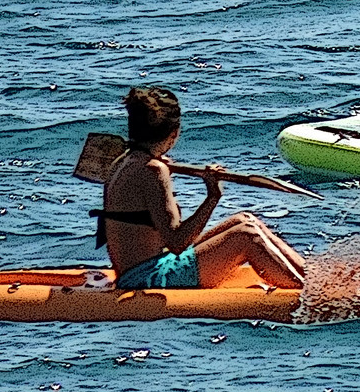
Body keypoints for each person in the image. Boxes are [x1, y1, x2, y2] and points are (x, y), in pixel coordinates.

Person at [96, 87, 307, 290]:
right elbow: (178, 242)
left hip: (149, 267)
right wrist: (212, 197)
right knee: (246, 234)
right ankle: (307, 294)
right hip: (148, 278)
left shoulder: (122, 162)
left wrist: (158, 164)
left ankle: (310, 278)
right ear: (174, 133)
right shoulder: (153, 170)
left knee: (244, 220)